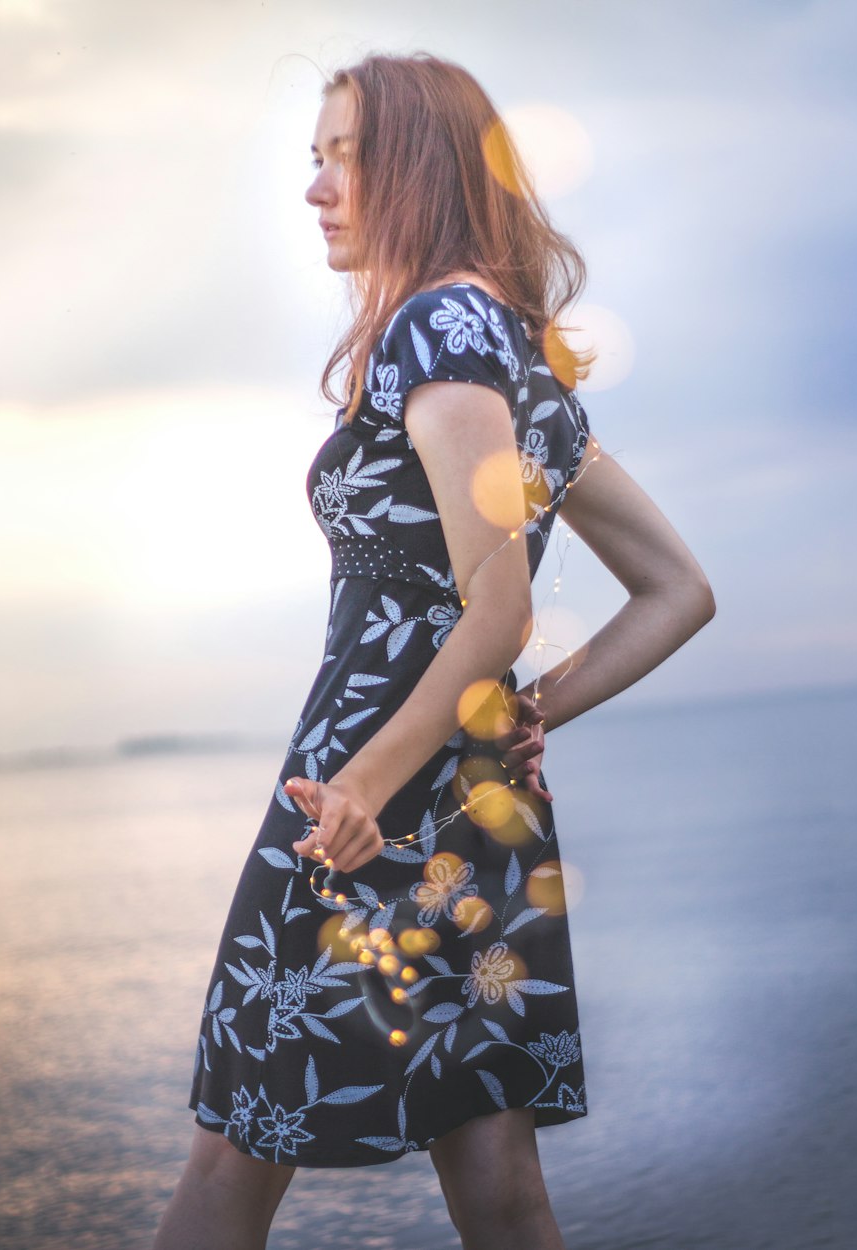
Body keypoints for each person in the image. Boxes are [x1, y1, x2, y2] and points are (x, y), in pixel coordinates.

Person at [152, 51, 715, 1250]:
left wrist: (361, 782)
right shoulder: (519, 353)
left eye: (341, 155)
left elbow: (497, 607)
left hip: (365, 785)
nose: (314, 188)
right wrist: (530, 715)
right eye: (311, 159)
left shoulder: (437, 328)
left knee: (236, 1145)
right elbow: (676, 590)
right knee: (490, 1155)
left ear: (414, 163)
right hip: (469, 790)